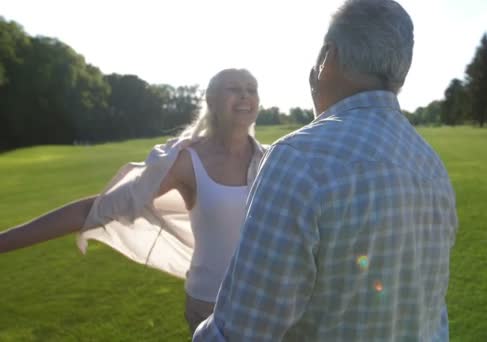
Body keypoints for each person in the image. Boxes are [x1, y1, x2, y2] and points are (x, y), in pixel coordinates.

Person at [193, 1, 459, 341]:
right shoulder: (431, 167)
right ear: (400, 73)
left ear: (327, 58)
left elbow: (240, 332)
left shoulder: (299, 158)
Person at [0, 68, 267, 335]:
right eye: (234, 88)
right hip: (210, 305)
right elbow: (95, 210)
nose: (245, 95)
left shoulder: (273, 160)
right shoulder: (184, 162)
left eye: (251, 89)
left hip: (269, 301)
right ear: (211, 101)